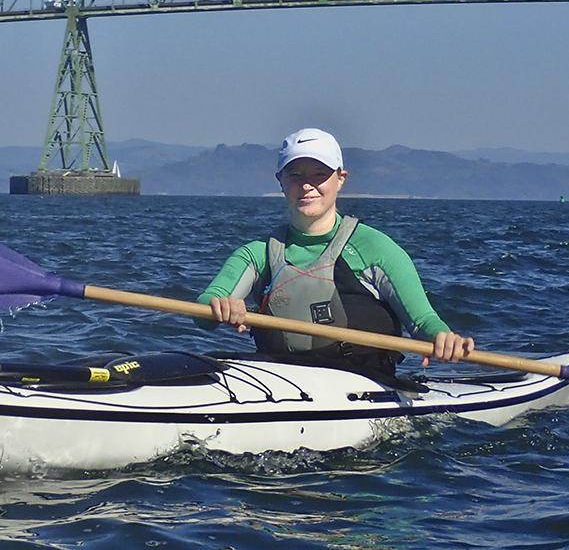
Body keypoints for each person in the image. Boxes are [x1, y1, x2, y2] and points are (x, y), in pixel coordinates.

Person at [197, 127, 475, 379]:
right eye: (296, 175)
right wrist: (219, 306)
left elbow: (422, 321)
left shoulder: (375, 248)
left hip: (365, 382)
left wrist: (443, 337)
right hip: (282, 380)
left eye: (320, 174)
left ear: (340, 179)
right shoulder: (257, 253)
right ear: (280, 181)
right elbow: (203, 310)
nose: (307, 185)